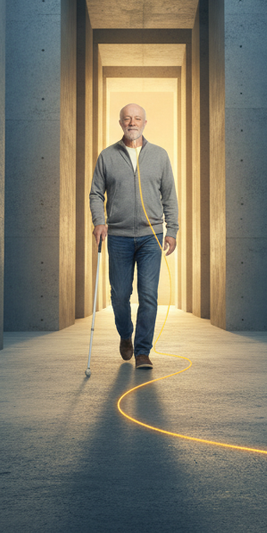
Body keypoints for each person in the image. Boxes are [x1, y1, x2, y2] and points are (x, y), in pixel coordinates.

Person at [89, 103, 178, 369]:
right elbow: (96, 193)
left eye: (137, 118)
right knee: (119, 295)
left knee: (149, 294)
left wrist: (171, 230)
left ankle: (142, 352)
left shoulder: (160, 156)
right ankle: (125, 335)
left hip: (152, 236)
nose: (132, 122)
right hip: (118, 236)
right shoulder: (107, 156)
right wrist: (99, 221)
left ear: (144, 123)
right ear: (120, 123)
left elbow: (170, 196)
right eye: (127, 118)